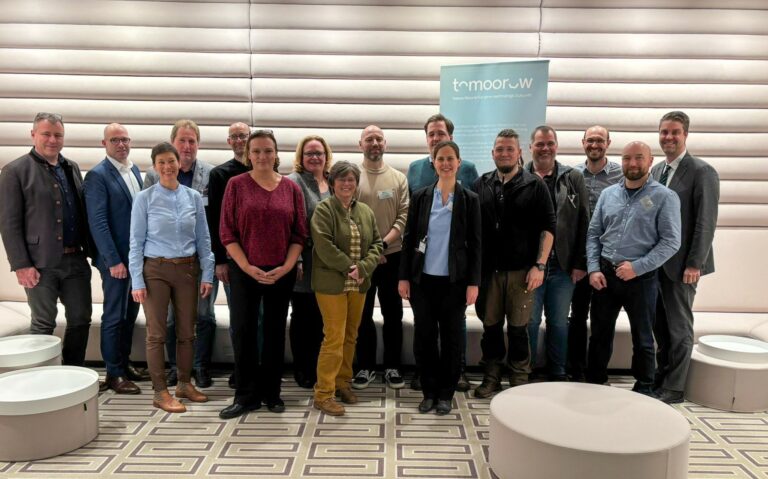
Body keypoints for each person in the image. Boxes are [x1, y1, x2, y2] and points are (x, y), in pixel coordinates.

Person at [218, 130, 307, 419]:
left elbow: (299, 234)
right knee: (243, 332)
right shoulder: (236, 185)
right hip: (245, 271)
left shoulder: (291, 189)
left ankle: (272, 393)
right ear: (248, 155)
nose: (262, 156)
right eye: (255, 151)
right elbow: (227, 232)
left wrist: (287, 266)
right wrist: (246, 267)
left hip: (281, 272)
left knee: (273, 333)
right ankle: (245, 395)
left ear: (276, 154)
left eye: (267, 151)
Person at [586, 141, 681, 396]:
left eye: (639, 158)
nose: (633, 163)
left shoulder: (664, 197)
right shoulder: (608, 195)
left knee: (643, 339)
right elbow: (594, 233)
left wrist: (637, 267)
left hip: (641, 279)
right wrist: (594, 268)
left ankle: (644, 387)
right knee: (599, 335)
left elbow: (671, 241)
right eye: (627, 158)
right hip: (605, 275)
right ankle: (595, 382)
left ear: (650, 161)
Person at [0, 112, 92, 366]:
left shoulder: (71, 167)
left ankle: (73, 373)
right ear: (33, 135)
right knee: (43, 322)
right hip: (39, 264)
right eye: (46, 134)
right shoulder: (14, 171)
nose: (52, 139)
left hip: (75, 259)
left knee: (81, 319)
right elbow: (9, 223)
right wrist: (21, 264)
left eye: (58, 135)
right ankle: (39, 376)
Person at [129, 142, 214, 413]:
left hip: (188, 269)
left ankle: (184, 384)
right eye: (161, 162)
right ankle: (160, 392)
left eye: (171, 161)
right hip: (155, 270)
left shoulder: (192, 197)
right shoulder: (145, 198)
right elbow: (135, 242)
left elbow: (204, 238)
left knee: (188, 332)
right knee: (156, 334)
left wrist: (208, 274)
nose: (167, 167)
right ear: (154, 167)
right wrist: (137, 280)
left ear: (180, 163)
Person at [399, 140, 481, 415]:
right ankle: (429, 391)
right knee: (423, 337)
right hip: (423, 281)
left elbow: (477, 244)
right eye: (440, 159)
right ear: (433, 163)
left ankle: (445, 393)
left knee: (451, 340)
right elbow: (409, 237)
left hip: (454, 283)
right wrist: (404, 277)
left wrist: (473, 282)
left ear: (459, 163)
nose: (445, 163)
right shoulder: (421, 197)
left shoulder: (470, 199)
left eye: (450, 159)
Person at [473, 129, 555, 398]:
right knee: (491, 327)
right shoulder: (481, 184)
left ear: (520, 153)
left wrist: (540, 266)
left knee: (519, 329)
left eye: (510, 149)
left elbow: (548, 227)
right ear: (492, 153)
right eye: (500, 149)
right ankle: (492, 376)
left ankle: (519, 378)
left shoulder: (535, 185)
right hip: (489, 273)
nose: (504, 153)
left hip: (523, 273)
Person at [652, 111, 720, 404]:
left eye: (675, 132)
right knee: (660, 326)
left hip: (682, 266)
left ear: (685, 135)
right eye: (664, 132)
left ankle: (676, 387)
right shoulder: (656, 171)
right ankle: (662, 376)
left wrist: (695, 262)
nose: (669, 137)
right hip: (655, 265)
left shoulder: (702, 171)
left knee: (679, 327)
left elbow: (706, 222)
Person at [144, 120, 216, 388]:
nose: (187, 146)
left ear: (198, 144)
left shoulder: (211, 174)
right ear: (172, 144)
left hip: (197, 259)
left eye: (192, 141)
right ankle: (176, 368)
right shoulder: (152, 180)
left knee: (204, 316)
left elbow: (210, 226)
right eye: (182, 141)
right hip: (162, 264)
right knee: (173, 321)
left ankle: (200, 367)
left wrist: (212, 263)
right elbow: (143, 228)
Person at [311, 161, 383, 416]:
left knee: (351, 335)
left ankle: (343, 383)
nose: (347, 183)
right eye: (341, 179)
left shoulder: (365, 211)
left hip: (359, 284)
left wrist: (363, 267)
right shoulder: (323, 210)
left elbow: (377, 243)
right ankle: (323, 393)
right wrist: (350, 267)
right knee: (334, 337)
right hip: (332, 284)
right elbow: (323, 245)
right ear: (332, 183)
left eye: (351, 179)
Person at [83, 123, 147, 394]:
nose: (121, 144)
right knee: (113, 316)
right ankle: (114, 373)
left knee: (129, 314)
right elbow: (98, 223)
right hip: (116, 263)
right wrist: (113, 261)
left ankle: (124, 362)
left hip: (135, 259)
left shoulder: (133, 169)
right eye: (115, 140)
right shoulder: (97, 175)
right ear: (104, 143)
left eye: (125, 139)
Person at [524, 126, 590, 381]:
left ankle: (557, 372)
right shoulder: (521, 177)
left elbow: (584, 220)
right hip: (530, 267)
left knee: (559, 322)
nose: (545, 148)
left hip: (563, 266)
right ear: (531, 147)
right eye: (540, 143)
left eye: (550, 143)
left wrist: (580, 263)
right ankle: (525, 372)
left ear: (556, 146)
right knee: (528, 322)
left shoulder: (573, 177)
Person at [354, 125, 409, 390]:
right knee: (361, 316)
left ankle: (392, 367)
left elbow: (403, 216)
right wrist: (370, 252)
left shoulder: (398, 178)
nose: (374, 143)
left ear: (385, 144)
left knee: (393, 314)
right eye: (369, 139)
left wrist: (382, 245)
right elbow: (347, 217)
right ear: (360, 144)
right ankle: (364, 366)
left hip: (393, 257)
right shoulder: (351, 177)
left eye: (378, 139)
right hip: (362, 260)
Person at [567, 125, 623, 381]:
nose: (595, 145)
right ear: (583, 143)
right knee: (577, 316)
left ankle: (597, 374)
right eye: (590, 140)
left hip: (608, 259)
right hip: (579, 258)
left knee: (602, 320)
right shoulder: (572, 174)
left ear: (608, 143)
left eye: (600, 140)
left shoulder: (621, 176)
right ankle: (575, 370)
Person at [207, 121, 252, 389]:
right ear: (228, 141)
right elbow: (215, 220)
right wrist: (220, 260)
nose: (239, 140)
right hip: (233, 261)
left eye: (243, 136)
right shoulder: (220, 175)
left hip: (264, 259)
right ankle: (241, 369)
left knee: (260, 318)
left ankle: (259, 366)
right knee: (240, 318)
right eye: (234, 136)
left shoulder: (266, 170)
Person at [287, 135, 333, 389]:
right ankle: (303, 369)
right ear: (300, 157)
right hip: (303, 262)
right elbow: (291, 225)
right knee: (303, 317)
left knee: (320, 318)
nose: (314, 157)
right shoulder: (293, 182)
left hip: (328, 266)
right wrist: (296, 260)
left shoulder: (332, 182)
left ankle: (319, 366)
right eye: (309, 153)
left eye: (319, 153)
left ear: (326, 155)